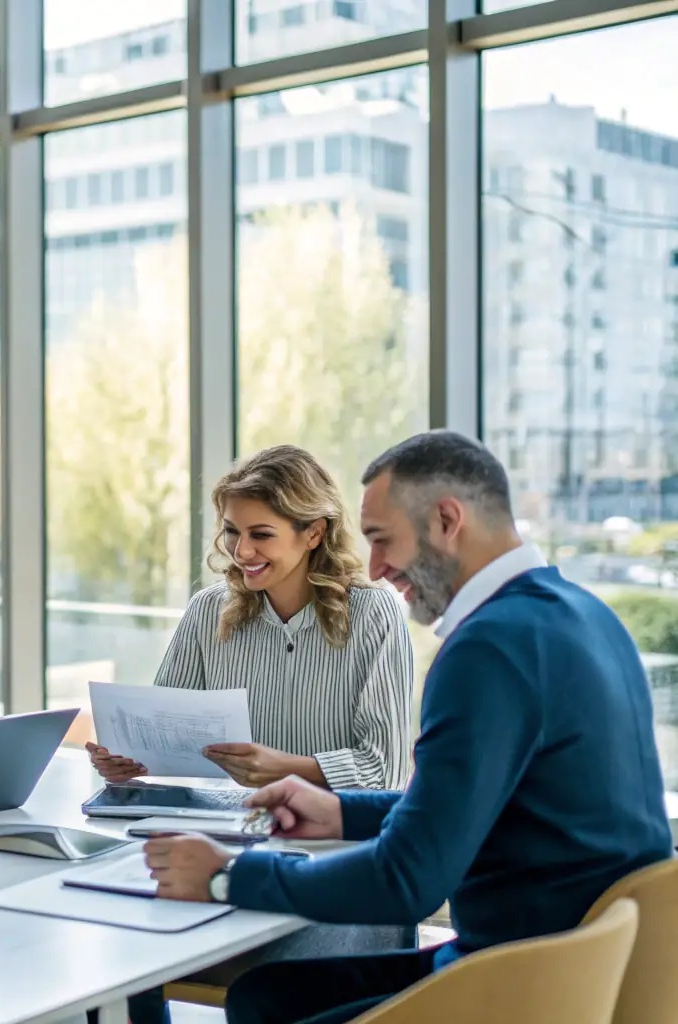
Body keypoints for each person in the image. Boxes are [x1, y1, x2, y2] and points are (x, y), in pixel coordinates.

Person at [145, 431, 674, 1024]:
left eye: (382, 540)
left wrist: (227, 876)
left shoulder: (488, 650)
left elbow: (408, 879)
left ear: (447, 521)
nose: (374, 567)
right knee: (264, 996)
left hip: (520, 980)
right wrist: (341, 812)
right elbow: (473, 801)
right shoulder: (583, 613)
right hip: (587, 962)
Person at [88, 445, 415, 791]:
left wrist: (284, 769)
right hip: (226, 830)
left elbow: (385, 770)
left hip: (331, 838)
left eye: (261, 534)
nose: (242, 551)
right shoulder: (206, 612)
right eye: (232, 531)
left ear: (314, 534)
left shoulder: (374, 615)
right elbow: (161, 744)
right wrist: (128, 762)